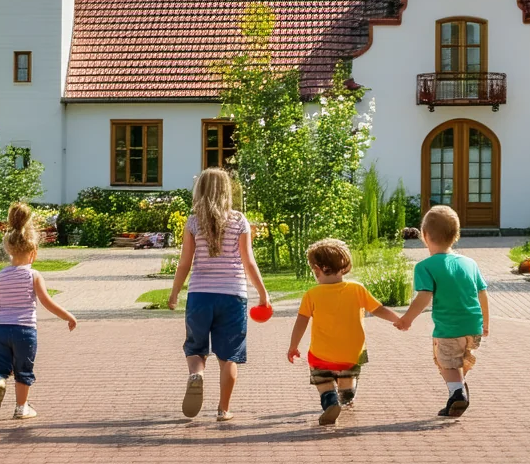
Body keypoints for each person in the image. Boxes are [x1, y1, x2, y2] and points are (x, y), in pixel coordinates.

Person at [168, 167, 270, 422]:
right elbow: (249, 261)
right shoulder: (239, 220)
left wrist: (174, 293)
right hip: (233, 295)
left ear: (200, 190)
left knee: (196, 346)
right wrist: (263, 294)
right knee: (229, 355)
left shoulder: (193, 222)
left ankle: (197, 376)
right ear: (227, 191)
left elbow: (184, 263)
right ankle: (223, 410)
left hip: (200, 295)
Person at [0, 202, 77, 420]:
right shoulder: (33, 275)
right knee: (23, 369)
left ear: (8, 250)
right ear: (34, 252)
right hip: (24, 331)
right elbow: (46, 301)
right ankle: (21, 408)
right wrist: (67, 316)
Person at [287, 238, 401, 425]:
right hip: (351, 353)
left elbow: (301, 322)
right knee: (347, 382)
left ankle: (330, 401)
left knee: (323, 382)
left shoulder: (312, 295)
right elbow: (378, 309)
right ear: (344, 265)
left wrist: (293, 346)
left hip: (320, 354)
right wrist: (399, 319)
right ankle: (345, 398)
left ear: (316, 269)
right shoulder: (357, 289)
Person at [394, 205, 489, 418]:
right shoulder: (469, 263)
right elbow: (482, 293)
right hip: (473, 327)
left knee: (445, 362)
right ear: (456, 235)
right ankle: (459, 390)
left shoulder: (425, 266)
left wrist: (406, 319)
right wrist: (486, 323)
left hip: (449, 328)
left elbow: (424, 296)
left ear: (425, 236)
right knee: (459, 361)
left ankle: (457, 394)